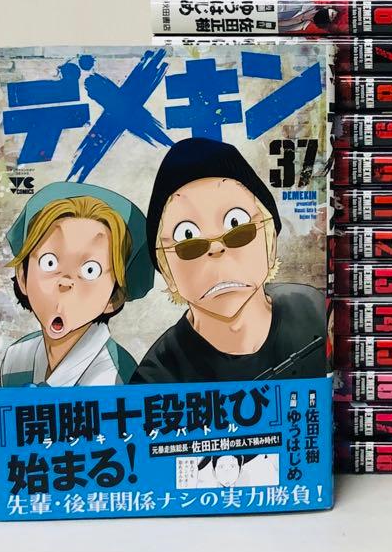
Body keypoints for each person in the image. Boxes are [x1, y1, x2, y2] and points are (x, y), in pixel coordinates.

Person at [131, 137, 326, 384]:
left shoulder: (312, 308)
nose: (216, 249)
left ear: (270, 241)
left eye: (237, 226)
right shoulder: (155, 380)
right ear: (167, 271)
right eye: (188, 239)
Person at [0, 182, 153, 387]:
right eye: (49, 262)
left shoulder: (115, 379)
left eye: (90, 270)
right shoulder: (17, 357)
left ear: (114, 298)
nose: (65, 282)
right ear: (23, 276)